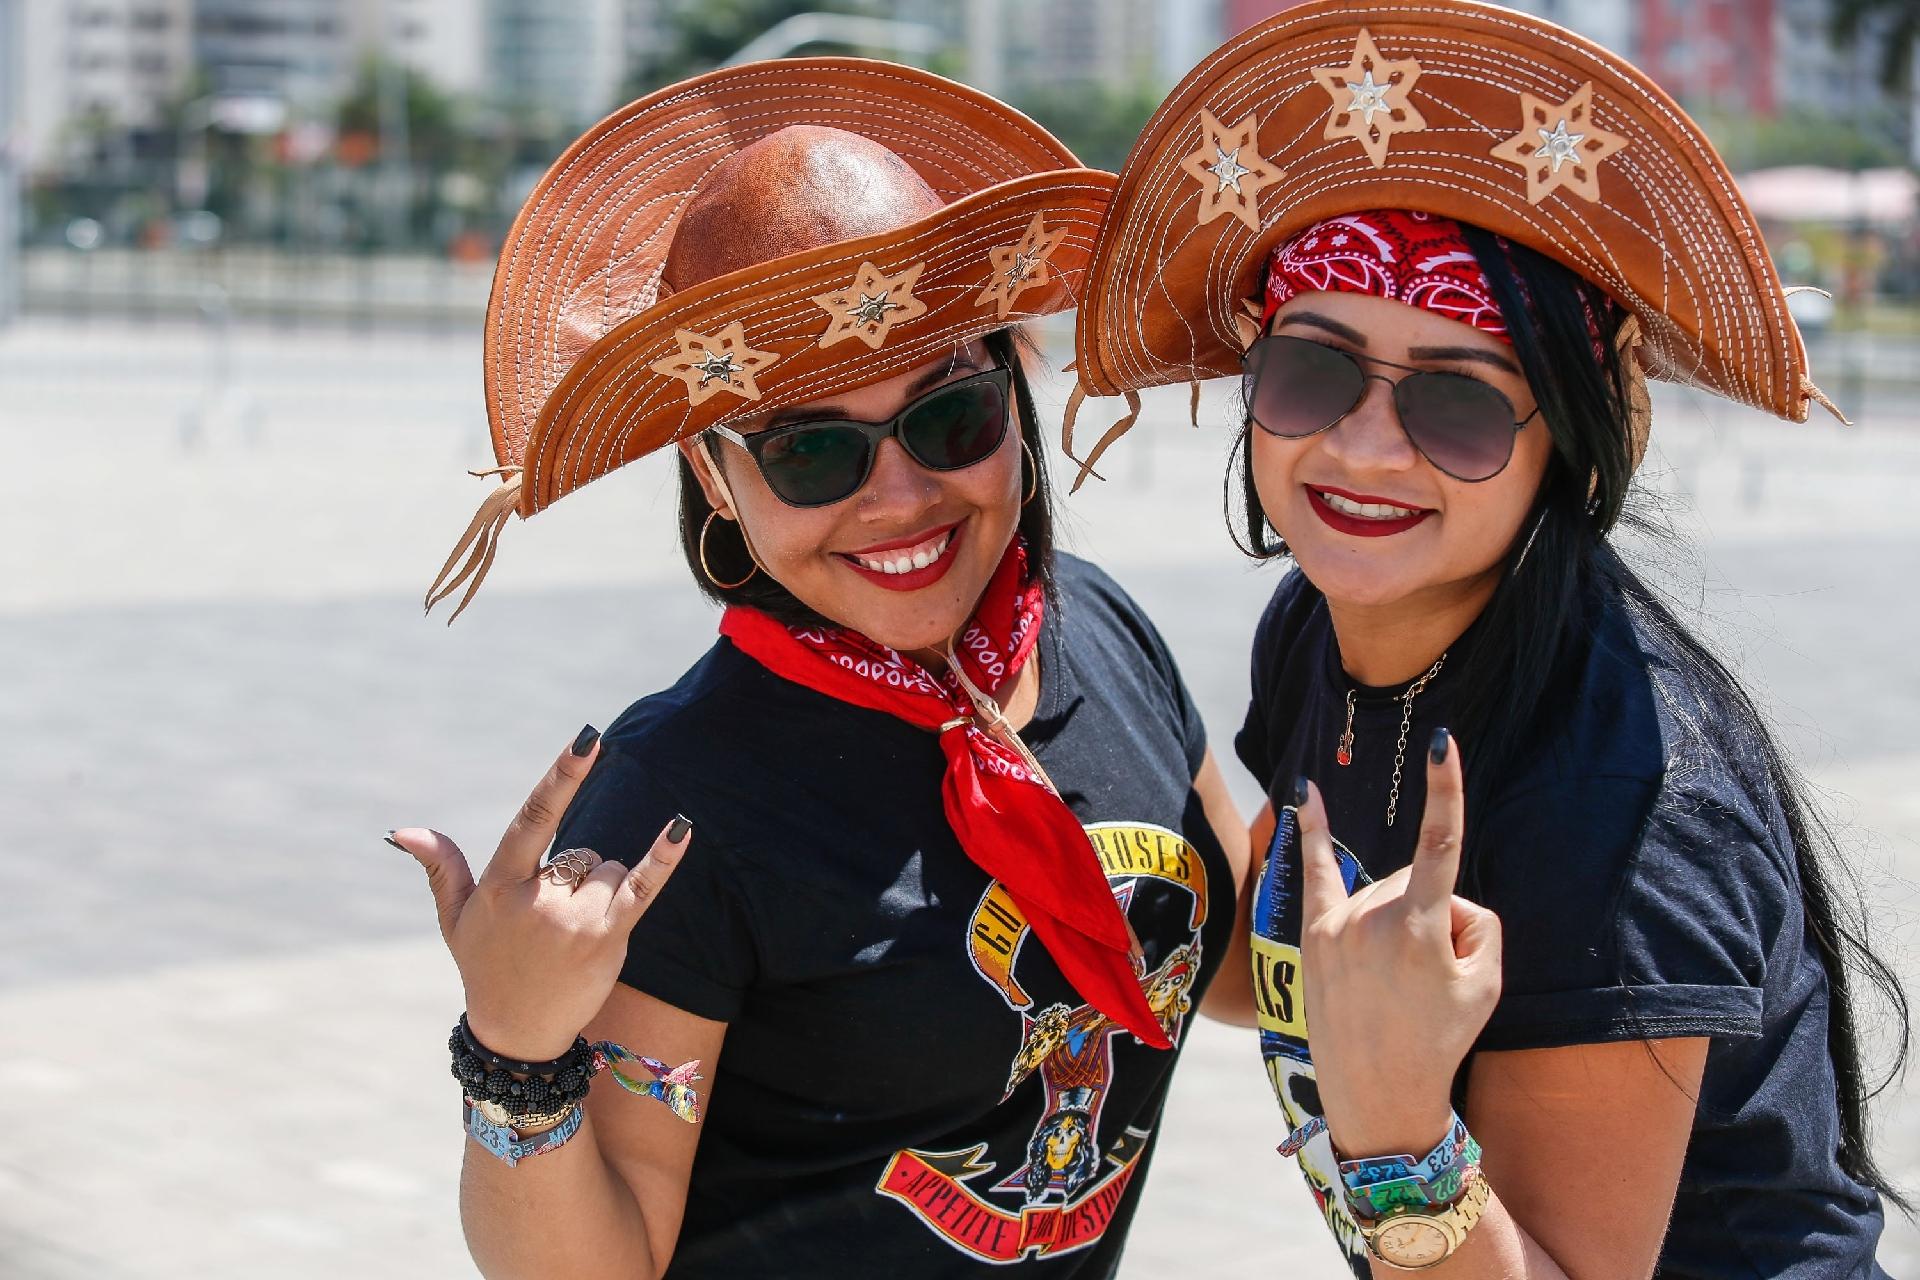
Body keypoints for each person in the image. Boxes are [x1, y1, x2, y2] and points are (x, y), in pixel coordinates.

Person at [1068, 3, 1909, 1275]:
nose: (1360, 449)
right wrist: (1054, 729)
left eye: (1458, 402)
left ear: (1565, 441)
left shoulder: (1622, 810)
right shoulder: (1321, 629)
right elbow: (1271, 969)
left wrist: (1396, 1122)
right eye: (1313, 372)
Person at [387, 58, 1247, 1278]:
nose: (898, 496)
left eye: (950, 415)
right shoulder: (676, 806)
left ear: (1015, 387)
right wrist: (516, 1047)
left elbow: (1236, 967)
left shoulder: (1100, 632)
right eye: (812, 453)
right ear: (716, 482)